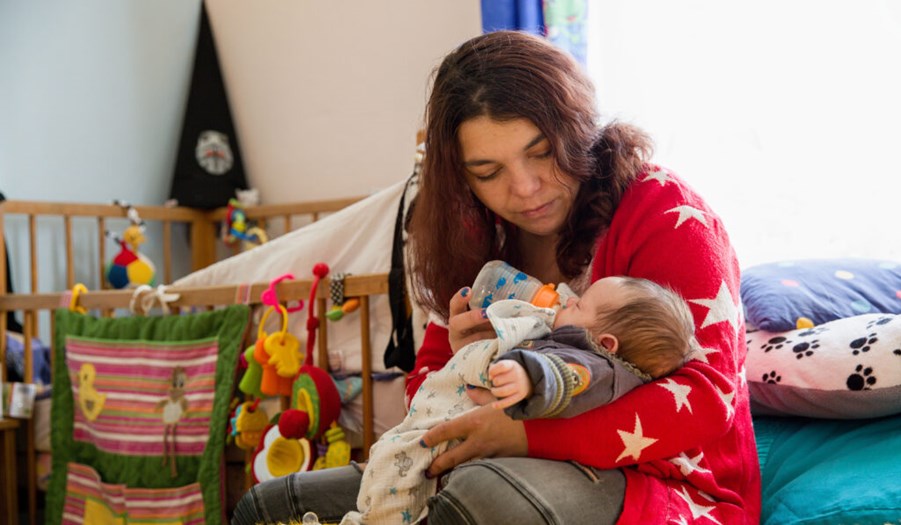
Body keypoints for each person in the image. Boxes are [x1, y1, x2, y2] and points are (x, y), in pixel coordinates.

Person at [232, 30, 760, 525]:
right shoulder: (477, 238)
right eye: (488, 172)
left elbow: (706, 397)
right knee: (267, 504)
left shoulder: (663, 210)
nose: (525, 189)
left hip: (665, 482)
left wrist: (522, 436)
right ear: (461, 176)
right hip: (478, 457)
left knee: (482, 494)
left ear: (579, 131)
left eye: (542, 153)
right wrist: (463, 358)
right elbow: (427, 384)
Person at [340, 274, 699, 524]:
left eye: (580, 305)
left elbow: (566, 377)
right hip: (450, 423)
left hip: (469, 438)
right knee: (391, 469)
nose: (568, 300)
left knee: (396, 482)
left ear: (606, 344)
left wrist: (526, 376)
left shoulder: (597, 367)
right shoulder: (582, 344)